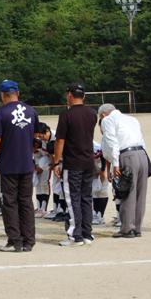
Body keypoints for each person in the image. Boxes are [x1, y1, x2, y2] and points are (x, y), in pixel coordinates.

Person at [0, 79, 39, 252]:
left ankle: (14, 241)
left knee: (9, 202)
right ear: (18, 93)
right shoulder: (31, 111)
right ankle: (28, 241)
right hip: (26, 163)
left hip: (8, 164)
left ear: (3, 95)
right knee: (26, 202)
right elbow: (35, 134)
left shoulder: (1, 113)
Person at [52, 83, 97, 247]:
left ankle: (74, 235)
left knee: (72, 199)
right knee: (86, 198)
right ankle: (87, 233)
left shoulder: (66, 114)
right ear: (83, 96)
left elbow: (60, 140)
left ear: (69, 95)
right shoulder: (92, 114)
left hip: (73, 162)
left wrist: (56, 161)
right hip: (88, 161)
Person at [98, 103, 148, 238]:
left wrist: (115, 164)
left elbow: (112, 142)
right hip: (142, 154)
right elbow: (142, 140)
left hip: (126, 155)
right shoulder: (132, 119)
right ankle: (137, 228)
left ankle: (127, 228)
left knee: (126, 191)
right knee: (140, 193)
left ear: (103, 114)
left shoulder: (107, 120)